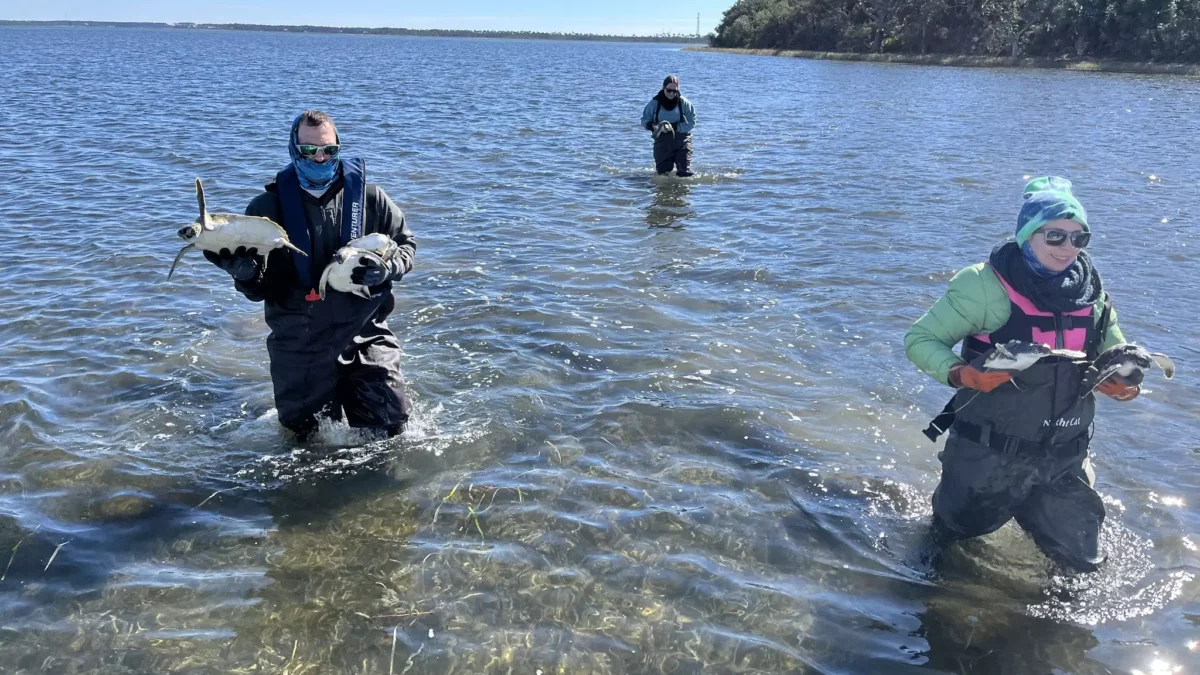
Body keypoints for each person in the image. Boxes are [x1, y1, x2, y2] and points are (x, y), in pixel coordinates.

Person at [904, 176, 1140, 573]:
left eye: (1079, 238)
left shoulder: (1093, 295)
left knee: (1082, 568)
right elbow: (920, 339)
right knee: (943, 555)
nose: (1068, 249)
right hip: (986, 459)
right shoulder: (982, 286)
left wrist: (1122, 383)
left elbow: (1115, 354)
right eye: (1055, 236)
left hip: (1065, 460)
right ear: (1027, 234)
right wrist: (963, 374)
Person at [204, 110, 416, 441]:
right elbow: (257, 290)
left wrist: (388, 268)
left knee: (392, 430)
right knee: (304, 441)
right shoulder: (265, 208)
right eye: (309, 150)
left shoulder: (371, 198)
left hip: (365, 332)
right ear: (294, 149)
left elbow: (406, 245)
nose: (320, 157)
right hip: (298, 340)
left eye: (329, 150)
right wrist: (244, 276)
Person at [640, 75, 696, 177]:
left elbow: (692, 122)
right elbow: (644, 119)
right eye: (669, 90)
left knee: (684, 173)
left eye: (675, 91)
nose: (671, 93)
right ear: (663, 88)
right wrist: (651, 126)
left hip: (682, 141)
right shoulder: (654, 103)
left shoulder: (684, 103)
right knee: (662, 175)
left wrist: (675, 127)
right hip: (662, 142)